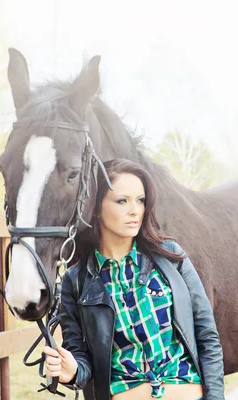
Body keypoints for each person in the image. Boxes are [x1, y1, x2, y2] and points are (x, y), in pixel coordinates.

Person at [43, 158, 225, 400]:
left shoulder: (171, 258)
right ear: (96, 208)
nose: (134, 211)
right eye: (122, 201)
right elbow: (82, 361)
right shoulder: (76, 281)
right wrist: (73, 370)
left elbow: (207, 336)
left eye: (140, 200)